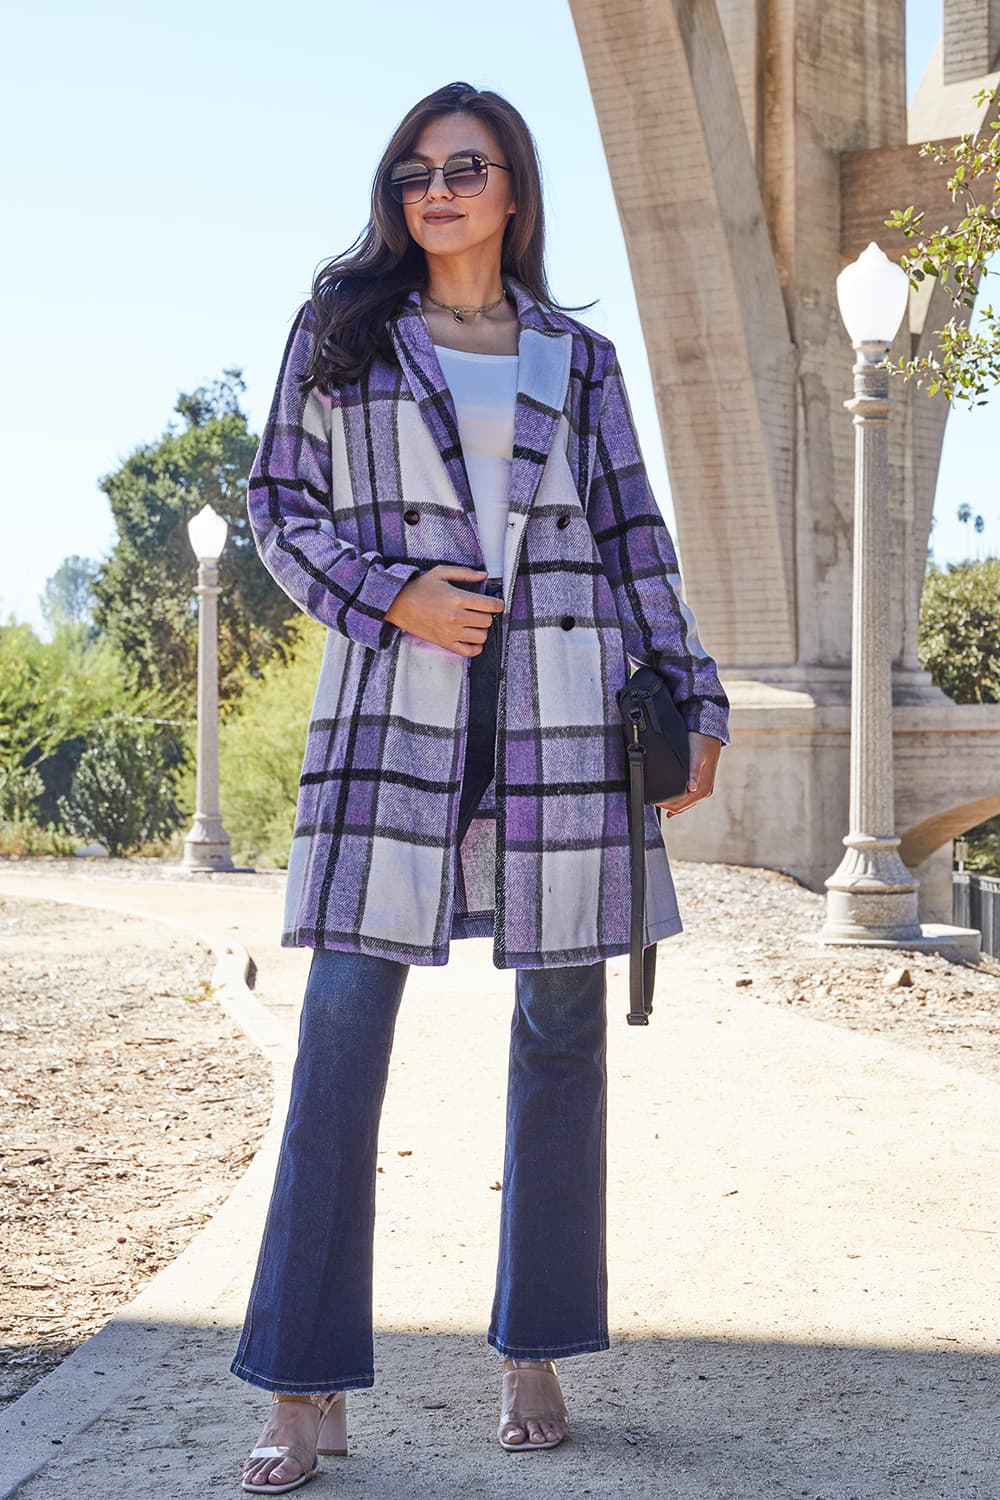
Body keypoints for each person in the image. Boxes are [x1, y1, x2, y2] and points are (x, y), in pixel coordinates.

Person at [233, 79, 731, 1493]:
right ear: (396, 198)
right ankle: (303, 1382)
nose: (438, 189)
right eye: (415, 172)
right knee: (339, 1028)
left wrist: (692, 697)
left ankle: (536, 1346)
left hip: (565, 719)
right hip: (397, 710)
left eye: (468, 167)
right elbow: (279, 509)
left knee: (564, 1030)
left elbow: (639, 540)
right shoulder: (342, 337)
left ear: (514, 192)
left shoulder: (580, 357)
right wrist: (393, 597)